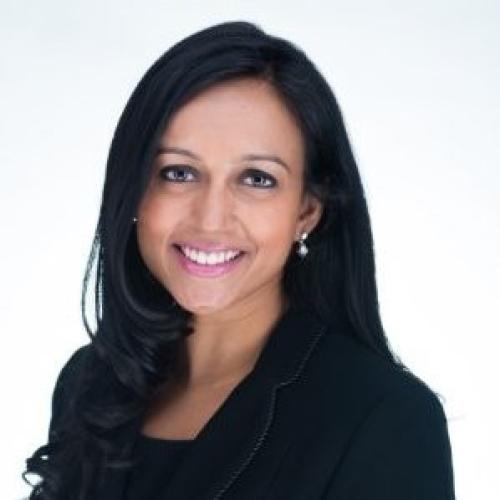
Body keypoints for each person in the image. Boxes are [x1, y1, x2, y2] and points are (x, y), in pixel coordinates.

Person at [23, 20, 456, 500]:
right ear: (134, 190)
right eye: (179, 172)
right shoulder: (92, 384)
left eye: (256, 179)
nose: (211, 219)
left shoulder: (384, 417)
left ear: (307, 210)